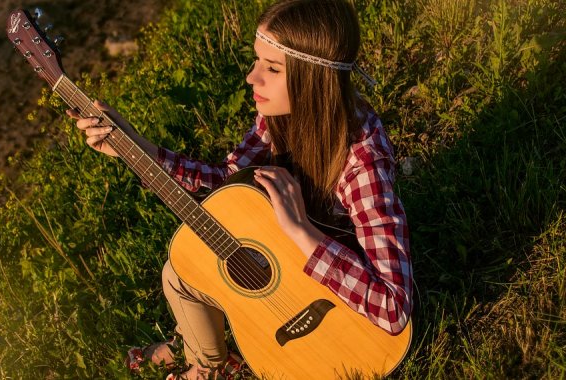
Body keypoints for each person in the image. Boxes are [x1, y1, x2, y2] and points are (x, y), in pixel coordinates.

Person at [68, 0, 412, 378]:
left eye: (272, 68)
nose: (251, 78)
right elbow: (227, 181)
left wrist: (300, 230)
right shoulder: (277, 115)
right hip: (290, 268)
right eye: (256, 61)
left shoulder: (361, 163)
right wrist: (139, 149)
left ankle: (201, 361)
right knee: (181, 268)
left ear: (313, 79)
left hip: (338, 315)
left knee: (176, 274)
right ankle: (204, 357)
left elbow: (393, 309)